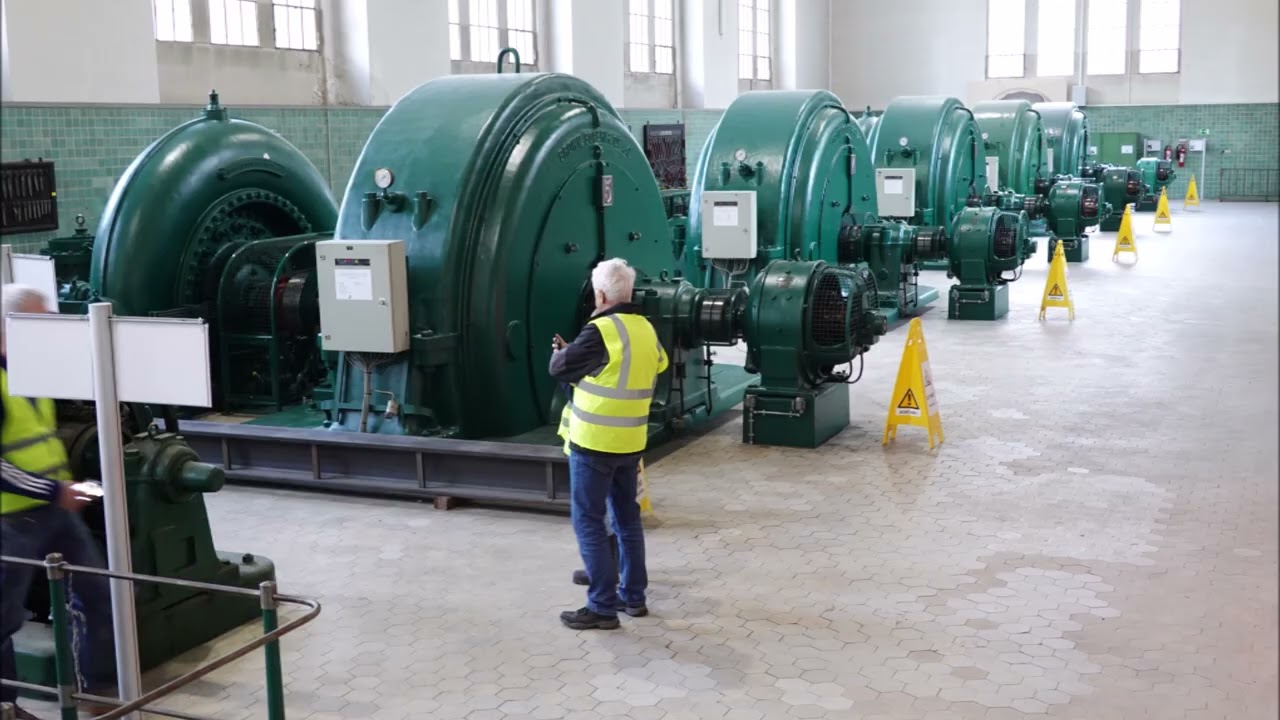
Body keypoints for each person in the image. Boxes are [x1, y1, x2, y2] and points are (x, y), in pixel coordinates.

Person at [1, 284, 116, 718]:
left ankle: (93, 691)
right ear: (14, 324)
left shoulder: (30, 371)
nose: (50, 327)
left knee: (97, 590)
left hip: (54, 512)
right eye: (41, 319)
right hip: (11, 519)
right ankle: (6, 706)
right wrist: (55, 490)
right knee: (3, 618)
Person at [549, 259, 668, 630]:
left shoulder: (600, 330)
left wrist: (562, 353)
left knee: (588, 521)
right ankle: (633, 596)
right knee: (627, 519)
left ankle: (601, 605)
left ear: (600, 294)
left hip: (594, 443)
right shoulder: (645, 328)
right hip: (631, 440)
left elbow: (560, 368)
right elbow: (658, 364)